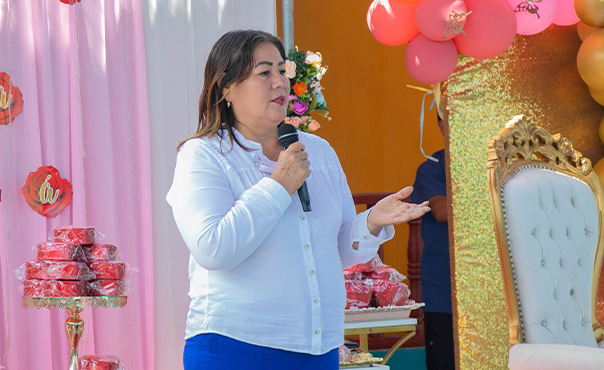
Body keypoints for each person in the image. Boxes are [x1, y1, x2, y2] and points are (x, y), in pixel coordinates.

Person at [166, 29, 430, 370]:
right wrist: (278, 186)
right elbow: (213, 248)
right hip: (234, 347)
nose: (280, 82)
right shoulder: (204, 154)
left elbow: (333, 250)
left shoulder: (316, 150)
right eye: (264, 73)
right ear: (227, 88)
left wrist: (371, 222)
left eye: (281, 70)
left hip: (317, 348)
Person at [411, 114, 454, 370]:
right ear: (441, 125)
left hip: (492, 286)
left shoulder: (493, 162)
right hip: (444, 292)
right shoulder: (432, 165)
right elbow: (441, 211)